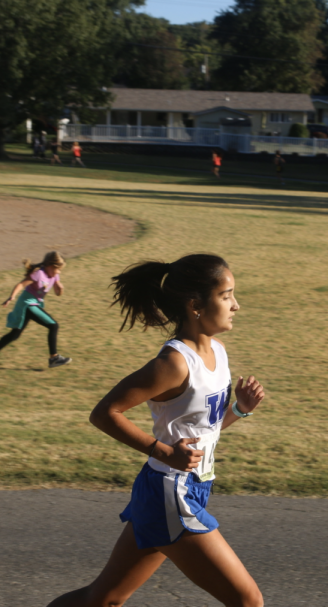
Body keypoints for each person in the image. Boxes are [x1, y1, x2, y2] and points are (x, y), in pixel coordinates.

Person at [46, 253, 266, 607]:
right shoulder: (173, 364)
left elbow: (203, 432)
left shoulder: (219, 353)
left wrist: (239, 410)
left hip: (186, 487)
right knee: (248, 601)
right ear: (195, 305)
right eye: (226, 295)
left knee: (104, 599)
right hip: (170, 492)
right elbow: (105, 413)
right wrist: (163, 451)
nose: (235, 305)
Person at [0, 252, 72, 369]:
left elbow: (58, 292)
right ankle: (54, 358)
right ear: (50, 265)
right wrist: (11, 296)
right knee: (53, 326)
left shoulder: (54, 275)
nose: (58, 272)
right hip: (27, 304)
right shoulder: (38, 274)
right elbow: (21, 285)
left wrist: (60, 289)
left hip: (34, 304)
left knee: (15, 334)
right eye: (57, 269)